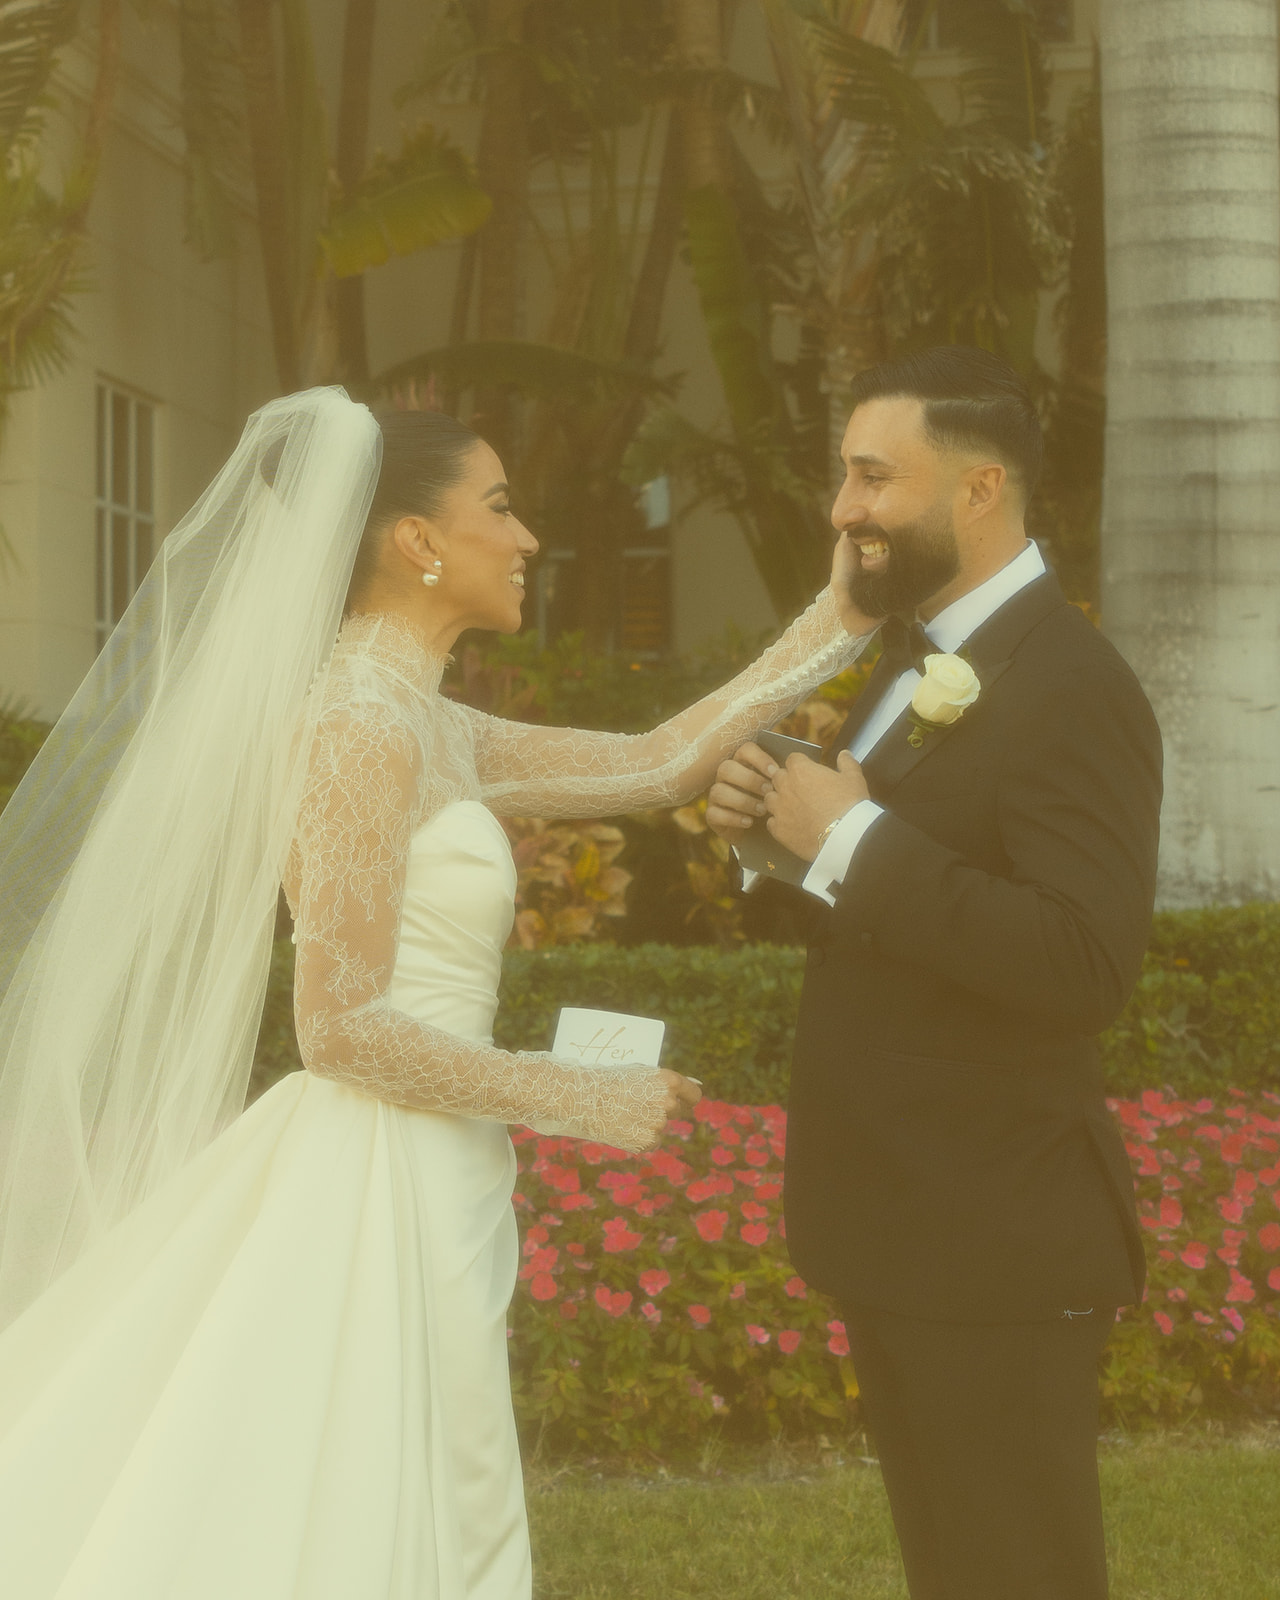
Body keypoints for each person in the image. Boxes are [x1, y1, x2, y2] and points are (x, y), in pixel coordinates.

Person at [0, 388, 876, 1599]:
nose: (526, 539)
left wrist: (843, 615)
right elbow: (336, 1027)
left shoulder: (424, 717)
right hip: (370, 1173)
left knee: (430, 1483)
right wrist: (577, 1094)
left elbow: (655, 760)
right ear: (417, 540)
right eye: (501, 508)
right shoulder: (358, 725)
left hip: (436, 1163)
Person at [708, 347, 1161, 1600]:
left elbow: (1082, 960)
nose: (842, 509)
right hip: (910, 1226)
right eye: (843, 478)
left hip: (996, 1239)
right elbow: (891, 910)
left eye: (869, 478)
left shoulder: (1072, 683)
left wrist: (846, 836)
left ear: (977, 489)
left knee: (1016, 1574)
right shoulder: (915, 663)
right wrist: (779, 842)